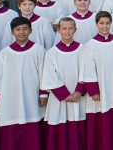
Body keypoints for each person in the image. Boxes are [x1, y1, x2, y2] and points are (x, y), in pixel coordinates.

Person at [0, 16, 47, 150]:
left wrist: (43, 94)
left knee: (32, 125)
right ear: (12, 32)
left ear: (30, 31)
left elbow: (44, 73)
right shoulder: (5, 53)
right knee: (11, 126)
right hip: (10, 98)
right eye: (18, 29)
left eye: (25, 29)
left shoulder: (38, 50)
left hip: (31, 95)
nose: (22, 32)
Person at [80, 11, 113, 150]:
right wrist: (94, 91)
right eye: (101, 23)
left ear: (111, 23)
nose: (105, 26)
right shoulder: (90, 45)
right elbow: (88, 70)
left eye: (107, 23)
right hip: (100, 89)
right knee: (102, 119)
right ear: (96, 24)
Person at [40, 17, 87, 150]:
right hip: (59, 98)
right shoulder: (51, 53)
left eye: (70, 28)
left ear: (75, 30)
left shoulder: (83, 49)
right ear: (59, 30)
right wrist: (65, 95)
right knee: (59, 124)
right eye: (64, 28)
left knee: (77, 124)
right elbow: (50, 76)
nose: (67, 31)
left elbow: (86, 70)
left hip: (78, 95)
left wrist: (79, 91)